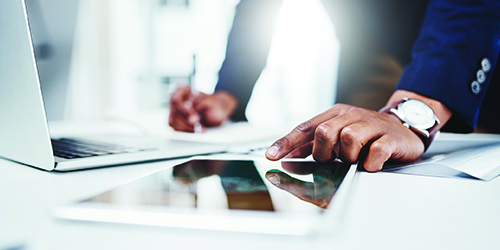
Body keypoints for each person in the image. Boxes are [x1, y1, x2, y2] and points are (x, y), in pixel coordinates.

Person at [169, 0, 500, 172]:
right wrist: (228, 93)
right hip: (370, 49)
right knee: (351, 165)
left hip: (469, 53)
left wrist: (419, 107)